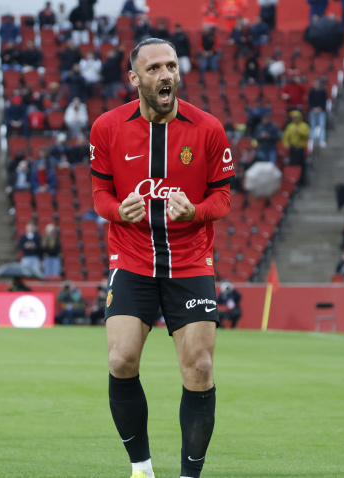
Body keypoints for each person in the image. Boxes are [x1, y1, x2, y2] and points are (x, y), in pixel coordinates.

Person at [90, 38, 235, 478]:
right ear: (135, 78)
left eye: (171, 65)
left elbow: (223, 197)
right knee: (121, 359)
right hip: (132, 259)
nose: (166, 74)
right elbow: (99, 195)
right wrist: (119, 211)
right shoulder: (107, 128)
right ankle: (141, 468)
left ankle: (189, 475)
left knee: (200, 367)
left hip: (189, 261)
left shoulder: (208, 128)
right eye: (154, 68)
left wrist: (196, 212)